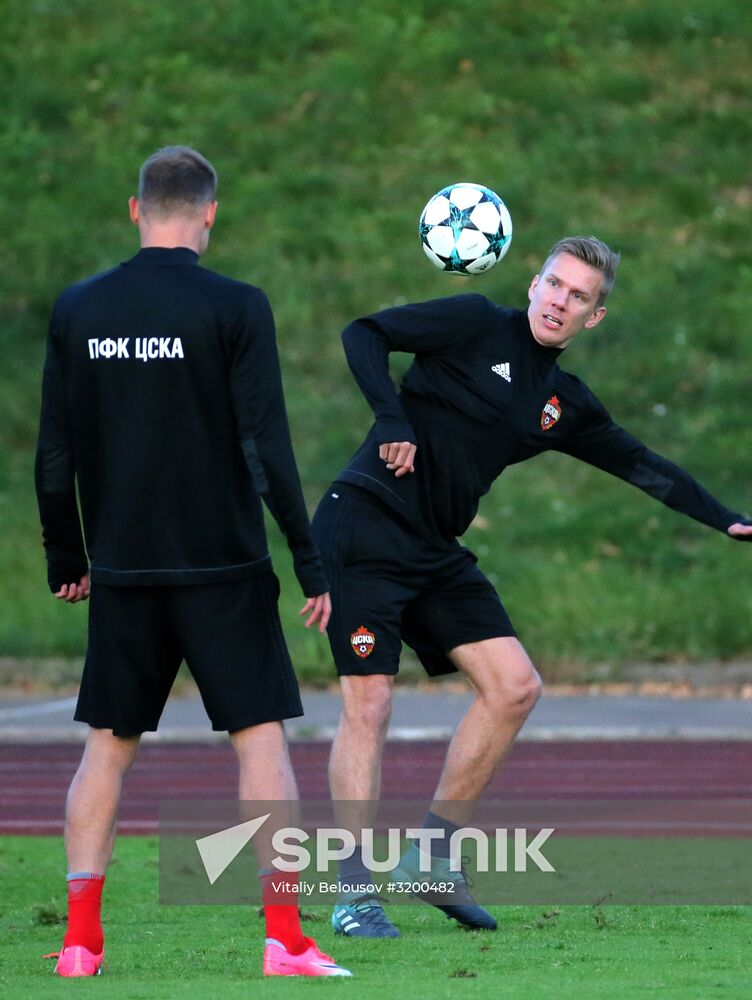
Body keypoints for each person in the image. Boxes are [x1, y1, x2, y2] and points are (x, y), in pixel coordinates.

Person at [312, 234, 752, 938]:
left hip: (434, 549)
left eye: (579, 297)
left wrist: (728, 521)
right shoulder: (473, 320)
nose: (561, 301)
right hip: (365, 525)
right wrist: (390, 415)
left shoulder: (560, 401)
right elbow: (365, 333)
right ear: (533, 283)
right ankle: (353, 893)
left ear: (593, 318)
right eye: (555, 285)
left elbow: (640, 463)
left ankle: (432, 859)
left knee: (514, 687)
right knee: (369, 702)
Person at [35, 146, 350, 978]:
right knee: (260, 742)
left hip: (125, 569)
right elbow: (266, 447)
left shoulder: (79, 307)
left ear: (135, 210)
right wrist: (310, 561)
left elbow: (53, 450)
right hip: (223, 567)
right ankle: (282, 939)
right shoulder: (237, 306)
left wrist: (67, 555)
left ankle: (79, 941)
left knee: (107, 746)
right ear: (210, 213)